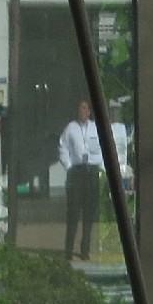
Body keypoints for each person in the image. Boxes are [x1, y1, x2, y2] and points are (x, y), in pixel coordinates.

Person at [58, 98, 103, 259]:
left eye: (85, 108)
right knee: (73, 213)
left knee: (89, 214)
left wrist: (102, 168)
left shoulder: (96, 128)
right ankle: (68, 250)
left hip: (92, 172)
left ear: (89, 112)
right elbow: (62, 146)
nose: (82, 111)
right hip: (76, 172)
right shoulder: (71, 128)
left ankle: (85, 251)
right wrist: (69, 165)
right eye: (80, 108)